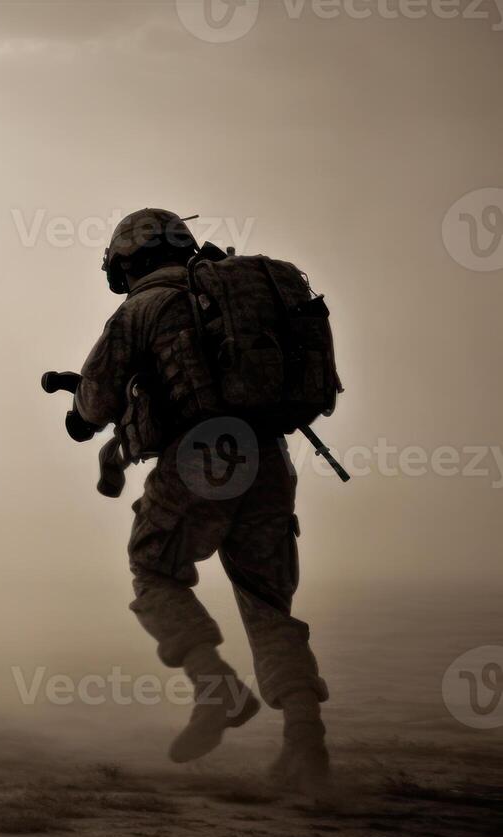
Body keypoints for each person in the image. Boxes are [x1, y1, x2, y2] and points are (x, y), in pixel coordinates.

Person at [75, 207, 333, 794]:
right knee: (268, 602)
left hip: (200, 455)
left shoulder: (142, 308)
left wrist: (80, 417)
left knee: (154, 571)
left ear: (125, 262)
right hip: (267, 456)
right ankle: (305, 738)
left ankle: (216, 689)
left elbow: (94, 399)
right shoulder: (224, 300)